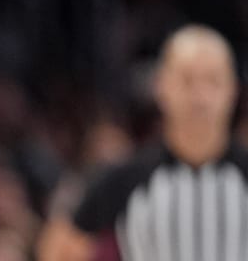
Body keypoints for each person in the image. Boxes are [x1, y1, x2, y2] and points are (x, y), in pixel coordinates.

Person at [36, 23, 248, 261]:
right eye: (187, 80)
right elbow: (58, 248)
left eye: (213, 81)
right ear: (162, 86)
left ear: (233, 89)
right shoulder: (128, 178)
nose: (200, 96)